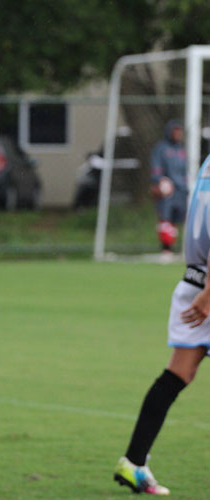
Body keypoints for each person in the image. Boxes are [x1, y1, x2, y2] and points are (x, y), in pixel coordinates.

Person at [112, 152, 210, 495]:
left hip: (192, 282)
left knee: (177, 375)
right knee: (176, 375)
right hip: (207, 289)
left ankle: (134, 462)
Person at [150, 120, 188, 257]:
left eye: (180, 131)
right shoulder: (161, 149)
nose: (178, 134)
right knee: (166, 220)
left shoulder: (182, 149)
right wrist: (160, 181)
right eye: (175, 131)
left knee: (179, 219)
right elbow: (156, 169)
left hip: (182, 190)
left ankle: (181, 248)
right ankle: (166, 249)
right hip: (168, 190)